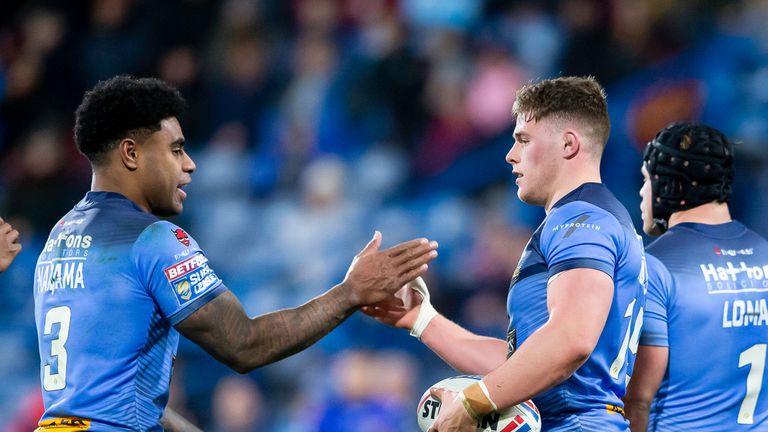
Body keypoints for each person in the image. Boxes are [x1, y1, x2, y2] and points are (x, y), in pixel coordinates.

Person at [32, 75, 439, 431]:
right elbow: (244, 345)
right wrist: (351, 292)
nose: (189, 165)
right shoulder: (153, 239)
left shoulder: (59, 238)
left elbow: (106, 399)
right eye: (175, 150)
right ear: (131, 153)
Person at [365, 76, 646, 431]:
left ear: (569, 144)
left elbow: (570, 340)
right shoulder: (592, 220)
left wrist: (473, 401)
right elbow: (524, 361)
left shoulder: (580, 220)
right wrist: (422, 320)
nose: (510, 155)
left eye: (524, 140)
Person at [623, 122, 768, 430]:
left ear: (667, 185)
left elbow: (638, 399)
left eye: (646, 180)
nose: (641, 191)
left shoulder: (656, 267)